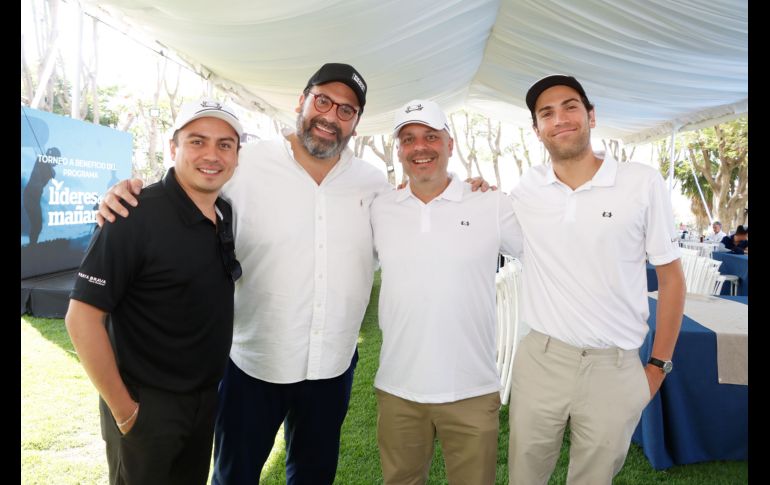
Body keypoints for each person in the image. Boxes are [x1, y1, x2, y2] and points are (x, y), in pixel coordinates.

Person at [95, 65, 490, 484]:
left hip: (332, 368)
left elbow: (419, 206)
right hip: (254, 364)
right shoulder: (246, 164)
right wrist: (130, 193)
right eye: (323, 101)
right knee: (234, 475)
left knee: (314, 475)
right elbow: (186, 189)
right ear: (301, 102)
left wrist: (468, 189)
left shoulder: (372, 184)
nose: (330, 116)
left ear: (355, 124)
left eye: (346, 110)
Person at [507, 75, 686, 485]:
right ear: (537, 130)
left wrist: (657, 367)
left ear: (591, 115)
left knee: (594, 479)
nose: (560, 119)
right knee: (525, 475)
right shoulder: (526, 190)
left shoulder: (641, 182)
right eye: (546, 113)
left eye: (570, 106)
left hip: (614, 366)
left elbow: (672, 279)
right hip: (542, 359)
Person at [64, 99, 243, 485]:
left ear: (236, 156)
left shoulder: (224, 212)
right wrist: (125, 410)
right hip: (147, 406)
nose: (212, 155)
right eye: (197, 141)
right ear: (173, 148)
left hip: (204, 398)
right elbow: (81, 318)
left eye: (225, 144)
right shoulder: (130, 214)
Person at [371, 100, 522, 485]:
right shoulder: (381, 208)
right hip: (399, 388)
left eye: (430, 137)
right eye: (408, 139)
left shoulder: (490, 203)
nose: (420, 147)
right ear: (399, 150)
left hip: (471, 387)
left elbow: (547, 255)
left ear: (450, 144)